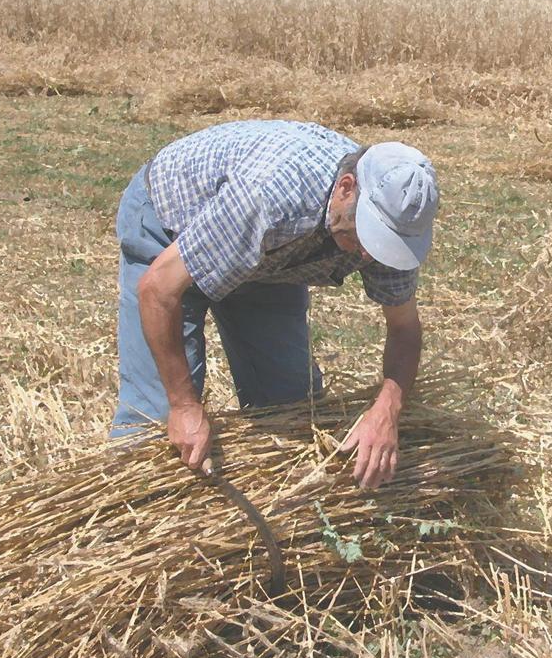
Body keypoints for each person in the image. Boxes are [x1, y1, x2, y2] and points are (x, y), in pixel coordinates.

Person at [111, 120, 439, 489]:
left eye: (385, 243)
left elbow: (404, 327)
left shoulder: (393, 226)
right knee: (153, 423)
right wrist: (184, 406)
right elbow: (157, 290)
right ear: (346, 189)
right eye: (369, 234)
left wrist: (387, 411)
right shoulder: (269, 196)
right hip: (173, 224)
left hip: (270, 258)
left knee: (291, 411)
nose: (369, 252)